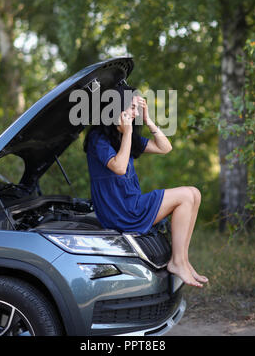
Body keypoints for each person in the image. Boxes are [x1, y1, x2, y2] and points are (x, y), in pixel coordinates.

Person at [83, 83, 208, 288]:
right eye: (131, 107)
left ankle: (183, 261)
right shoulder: (99, 138)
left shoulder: (122, 135)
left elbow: (164, 147)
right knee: (186, 196)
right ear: (116, 107)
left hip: (131, 204)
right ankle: (177, 262)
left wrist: (148, 120)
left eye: (136, 107)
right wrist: (128, 133)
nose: (135, 112)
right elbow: (120, 167)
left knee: (195, 193)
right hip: (120, 212)